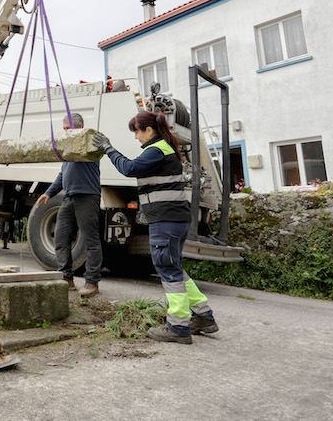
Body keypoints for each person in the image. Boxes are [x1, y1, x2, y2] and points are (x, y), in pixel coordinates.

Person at [93, 111, 219, 344]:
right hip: (173, 219)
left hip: (166, 220)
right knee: (174, 267)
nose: (136, 137)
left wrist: (108, 149)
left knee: (167, 268)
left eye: (137, 132)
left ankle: (178, 327)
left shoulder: (157, 150)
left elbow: (129, 168)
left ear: (148, 131)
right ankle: (203, 316)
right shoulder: (164, 149)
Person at [34, 113, 103, 297]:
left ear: (80, 127)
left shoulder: (89, 143)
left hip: (87, 197)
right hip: (69, 197)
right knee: (61, 236)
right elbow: (62, 175)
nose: (65, 132)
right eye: (64, 128)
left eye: (68, 128)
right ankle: (66, 278)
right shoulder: (68, 149)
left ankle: (92, 282)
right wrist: (48, 193)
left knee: (90, 240)